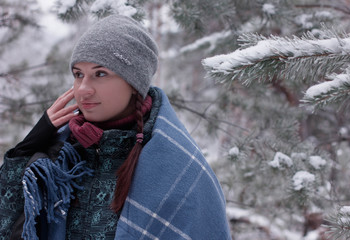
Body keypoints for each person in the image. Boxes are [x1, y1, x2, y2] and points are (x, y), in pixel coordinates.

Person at [0, 15, 231, 240]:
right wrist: (24, 153)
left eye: (100, 74)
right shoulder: (58, 160)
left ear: (133, 83)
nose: (83, 89)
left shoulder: (182, 171)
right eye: (78, 74)